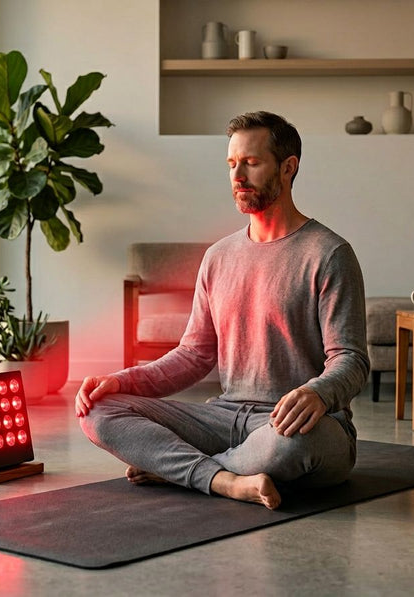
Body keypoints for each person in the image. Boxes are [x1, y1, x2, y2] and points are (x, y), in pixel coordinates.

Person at [76, 111, 369, 510]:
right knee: (99, 410)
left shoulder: (329, 253)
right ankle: (226, 480)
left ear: (288, 167)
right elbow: (194, 355)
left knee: (293, 445)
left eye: (251, 162)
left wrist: (317, 393)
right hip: (222, 420)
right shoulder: (218, 257)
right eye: (232, 164)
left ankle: (180, 470)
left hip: (294, 427)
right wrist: (121, 381)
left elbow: (351, 359)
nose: (238, 175)